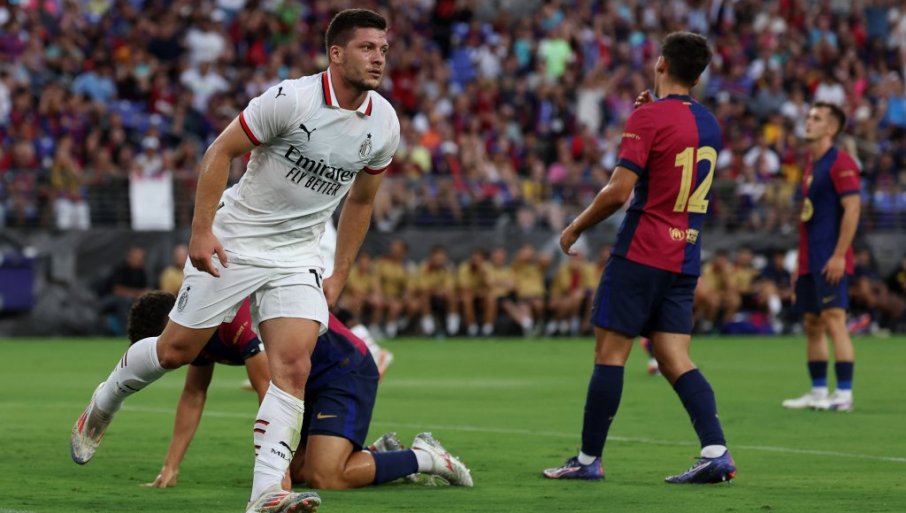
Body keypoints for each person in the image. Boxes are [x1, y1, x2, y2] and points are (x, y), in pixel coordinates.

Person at [70, 9, 401, 513]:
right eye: (367, 47)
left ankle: (267, 492)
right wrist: (201, 231)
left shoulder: (384, 122)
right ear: (336, 54)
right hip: (236, 240)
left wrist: (339, 272)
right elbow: (219, 152)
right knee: (175, 352)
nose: (378, 57)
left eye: (383, 48)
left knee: (293, 367)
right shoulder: (291, 99)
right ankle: (104, 400)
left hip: (297, 256)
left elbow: (361, 200)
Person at [543, 32, 736, 484]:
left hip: (642, 250)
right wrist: (652, 112)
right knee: (674, 356)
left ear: (661, 63)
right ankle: (716, 451)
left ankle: (588, 460)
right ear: (698, 76)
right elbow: (676, 149)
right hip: (684, 255)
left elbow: (618, 192)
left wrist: (574, 226)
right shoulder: (710, 123)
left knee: (610, 354)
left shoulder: (648, 117)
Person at [128, 291, 472, 491]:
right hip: (301, 382)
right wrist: (170, 467)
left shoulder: (229, 319)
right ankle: (376, 453)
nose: (164, 361)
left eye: (159, 349)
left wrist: (276, 478)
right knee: (301, 470)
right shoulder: (195, 331)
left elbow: (269, 391)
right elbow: (193, 395)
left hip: (341, 368)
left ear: (172, 326)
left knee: (326, 476)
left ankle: (427, 457)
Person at [782, 101, 861, 413]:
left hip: (831, 257)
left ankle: (843, 394)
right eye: (809, 116)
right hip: (809, 258)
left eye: (816, 118)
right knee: (812, 323)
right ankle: (817, 392)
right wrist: (798, 263)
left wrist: (840, 255)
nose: (809, 121)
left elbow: (852, 209)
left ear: (831, 128)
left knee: (834, 319)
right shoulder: (812, 165)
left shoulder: (841, 162)